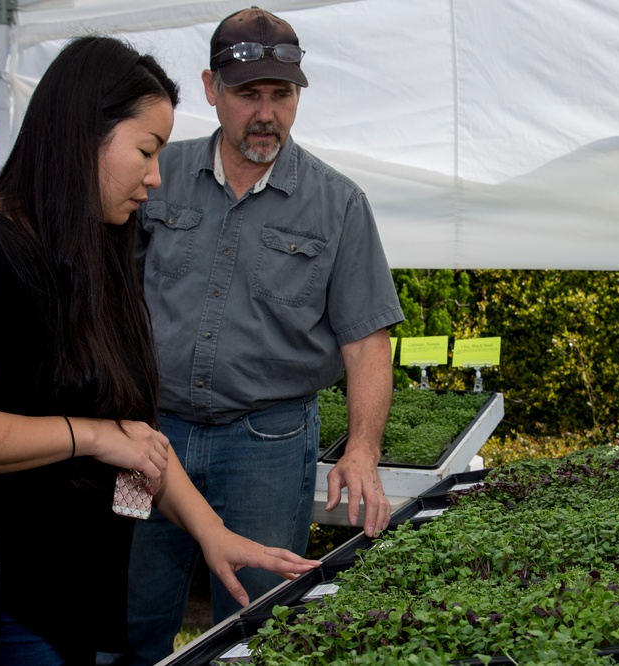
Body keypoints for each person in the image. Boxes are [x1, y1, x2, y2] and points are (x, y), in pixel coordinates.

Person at [0, 35, 319, 666]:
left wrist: (213, 534)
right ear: (81, 135)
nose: (155, 177)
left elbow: (130, 435)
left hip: (80, 606)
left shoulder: (95, 255)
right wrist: (87, 436)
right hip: (1, 608)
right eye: (146, 150)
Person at [125, 7, 405, 663]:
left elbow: (366, 341)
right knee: (131, 612)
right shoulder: (156, 175)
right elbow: (111, 294)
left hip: (267, 443)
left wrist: (362, 448)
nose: (266, 113)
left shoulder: (338, 204)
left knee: (259, 623)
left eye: (282, 95)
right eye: (249, 94)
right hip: (150, 435)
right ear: (210, 89)